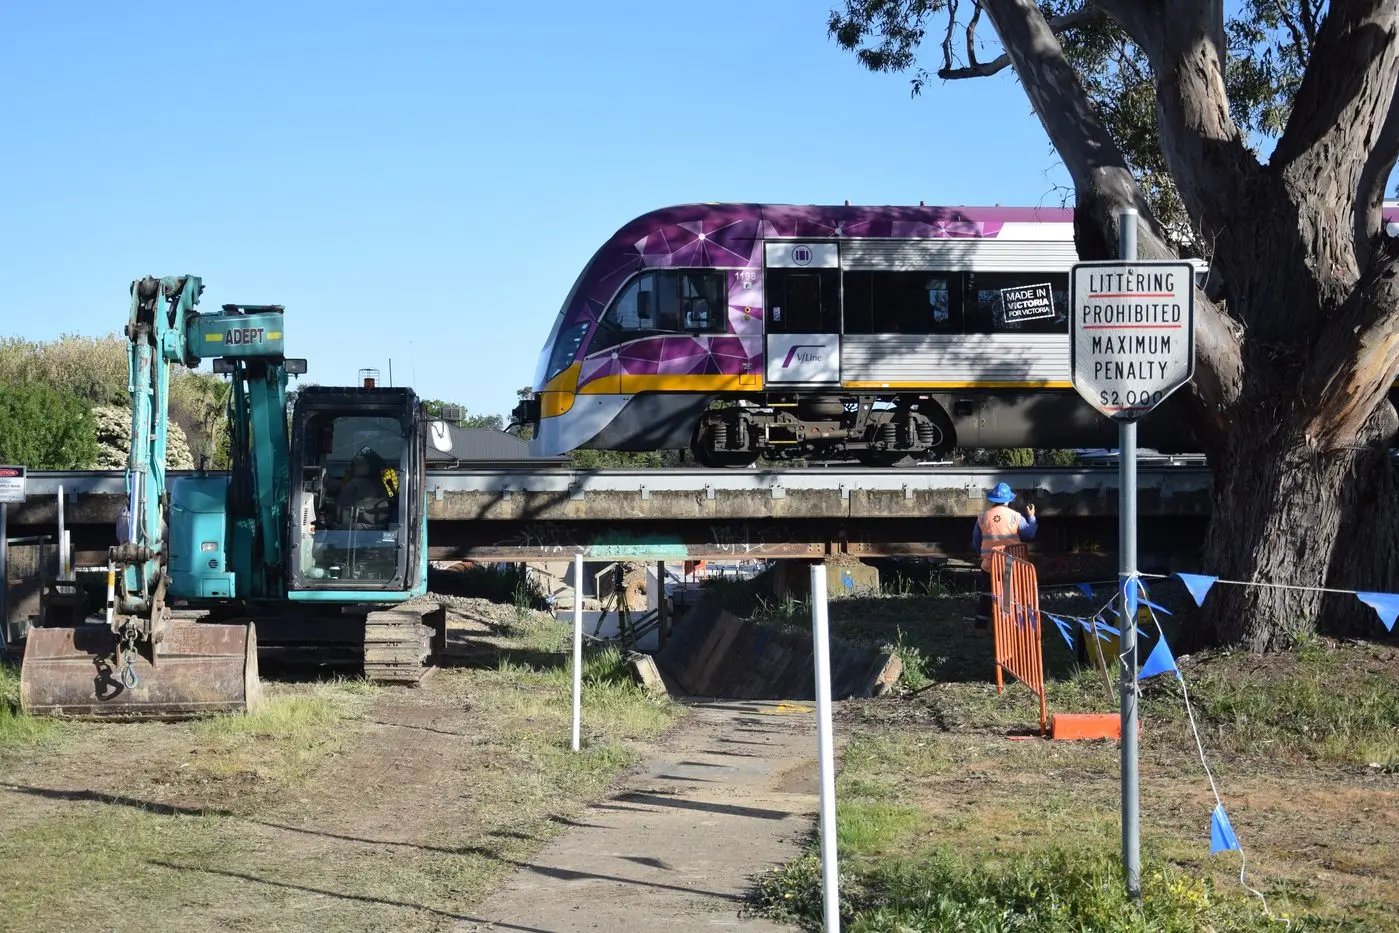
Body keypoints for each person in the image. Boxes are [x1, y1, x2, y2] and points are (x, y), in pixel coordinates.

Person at [972, 482, 1037, 629]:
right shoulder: (1015, 517)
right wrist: (1032, 517)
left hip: (990, 565)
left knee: (987, 595)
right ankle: (1008, 624)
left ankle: (980, 627)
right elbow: (1029, 533)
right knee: (1010, 594)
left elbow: (976, 542)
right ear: (1008, 500)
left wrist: (984, 556)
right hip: (1010, 565)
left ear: (992, 500)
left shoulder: (982, 518)